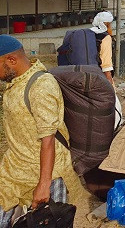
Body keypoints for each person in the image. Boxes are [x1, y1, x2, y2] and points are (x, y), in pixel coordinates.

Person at [0, 36, 84, 227]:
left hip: (48, 174)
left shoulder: (40, 86)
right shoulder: (14, 83)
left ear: (11, 60)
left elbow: (49, 140)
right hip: (13, 170)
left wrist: (44, 185)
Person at [90, 11, 116, 85]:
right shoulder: (105, 37)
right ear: (107, 24)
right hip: (100, 75)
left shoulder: (90, 33)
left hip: (88, 72)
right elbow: (106, 62)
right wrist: (109, 79)